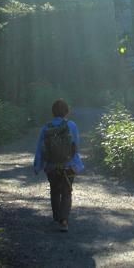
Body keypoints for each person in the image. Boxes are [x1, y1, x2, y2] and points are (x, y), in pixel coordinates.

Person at [33, 99, 84, 232]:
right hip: (69, 166)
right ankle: (64, 220)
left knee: (55, 191)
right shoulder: (71, 125)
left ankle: (57, 217)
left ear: (53, 111)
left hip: (51, 166)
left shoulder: (46, 127)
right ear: (66, 111)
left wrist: (37, 165)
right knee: (67, 193)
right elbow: (76, 147)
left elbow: (40, 148)